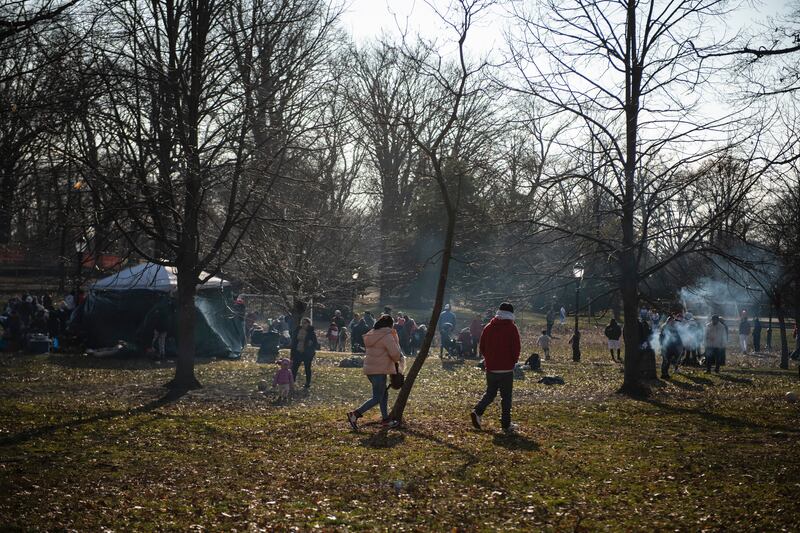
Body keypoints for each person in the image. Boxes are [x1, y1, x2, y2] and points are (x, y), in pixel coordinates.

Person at [470, 302, 521, 435]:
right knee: (506, 397)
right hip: (506, 369)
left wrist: (489, 359)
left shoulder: (488, 327)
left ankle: (477, 411)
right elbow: (516, 348)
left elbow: (482, 347)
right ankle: (506, 424)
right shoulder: (512, 328)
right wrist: (513, 362)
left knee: (490, 393)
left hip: (491, 368)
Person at [346, 314, 404, 430]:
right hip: (379, 370)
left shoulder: (373, 333)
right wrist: (400, 357)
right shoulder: (387, 335)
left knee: (383, 394)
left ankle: (385, 419)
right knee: (377, 397)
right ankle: (355, 414)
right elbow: (395, 354)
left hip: (370, 369)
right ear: (390, 325)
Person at [290, 317, 319, 388]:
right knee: (294, 368)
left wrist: (311, 345)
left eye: (305, 323)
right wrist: (292, 352)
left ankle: (307, 383)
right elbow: (294, 341)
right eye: (302, 323)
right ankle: (292, 382)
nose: (303, 324)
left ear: (308, 324)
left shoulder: (311, 332)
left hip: (307, 353)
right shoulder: (298, 330)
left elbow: (315, 343)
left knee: (307, 368)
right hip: (297, 351)